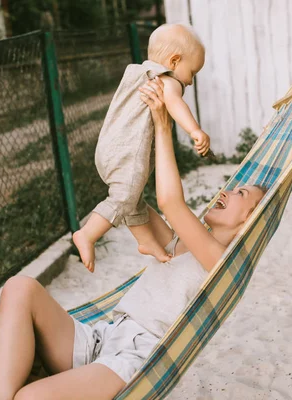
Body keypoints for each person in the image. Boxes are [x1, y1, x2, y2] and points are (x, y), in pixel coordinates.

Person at [0, 77, 266, 400]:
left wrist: (164, 127)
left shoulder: (218, 262)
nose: (226, 192)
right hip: (102, 338)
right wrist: (130, 142)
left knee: (28, 398)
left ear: (248, 221)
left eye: (240, 192)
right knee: (20, 288)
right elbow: (132, 202)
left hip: (130, 360)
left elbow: (170, 203)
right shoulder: (176, 243)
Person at [72, 23, 212, 273]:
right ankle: (87, 234)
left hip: (106, 150)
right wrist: (194, 130)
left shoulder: (137, 73)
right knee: (124, 196)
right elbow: (174, 102)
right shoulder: (166, 78)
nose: (190, 82)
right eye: (192, 72)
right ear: (174, 60)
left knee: (134, 198)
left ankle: (146, 241)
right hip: (126, 152)